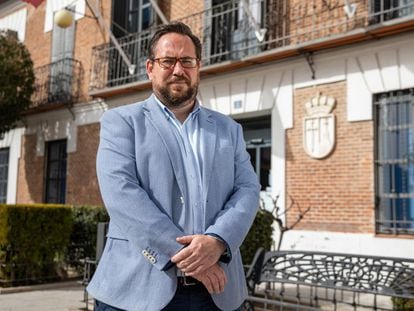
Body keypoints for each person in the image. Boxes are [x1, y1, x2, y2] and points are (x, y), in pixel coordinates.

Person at [87, 22, 260, 311]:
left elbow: (248, 189)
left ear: (198, 67)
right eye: (168, 61)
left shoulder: (229, 129)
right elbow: (121, 194)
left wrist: (218, 241)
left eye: (187, 61)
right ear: (150, 68)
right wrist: (193, 259)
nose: (178, 69)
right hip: (135, 291)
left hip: (217, 294)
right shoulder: (121, 122)